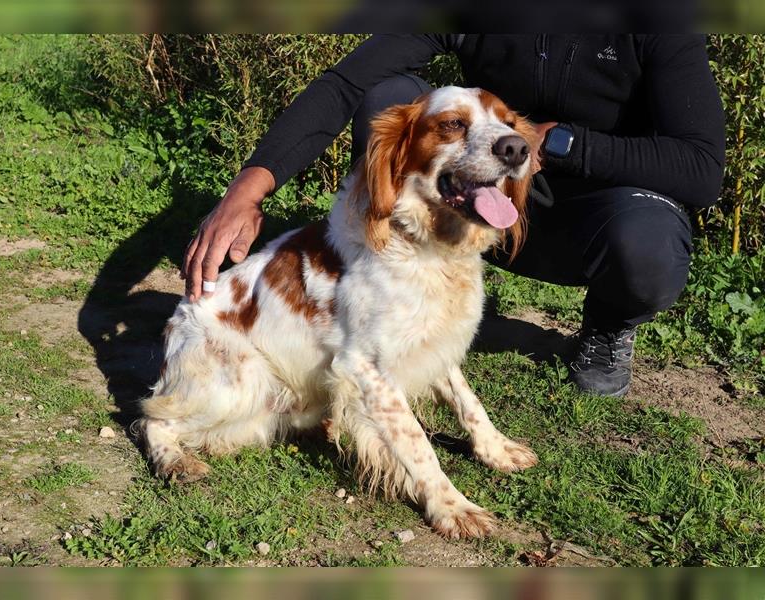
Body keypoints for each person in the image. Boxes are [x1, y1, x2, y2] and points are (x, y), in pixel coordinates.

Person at [180, 35, 726, 397]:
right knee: (388, 96)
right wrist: (247, 190)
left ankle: (608, 328)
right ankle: (383, 282)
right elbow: (346, 82)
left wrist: (559, 143)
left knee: (646, 246)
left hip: (594, 210)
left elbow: (702, 169)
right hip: (467, 187)